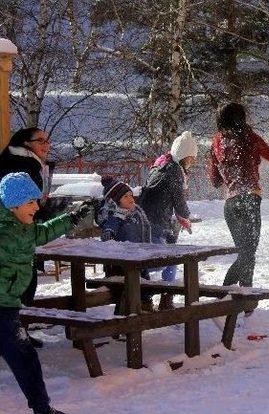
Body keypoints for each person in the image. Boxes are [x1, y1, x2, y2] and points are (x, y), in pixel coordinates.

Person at [0, 172, 91, 414]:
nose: (36, 207)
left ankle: (42, 409)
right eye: (30, 202)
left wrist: (71, 218)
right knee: (24, 357)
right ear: (13, 204)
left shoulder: (26, 228)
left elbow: (45, 232)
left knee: (25, 359)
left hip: (8, 306)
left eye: (37, 201)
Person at [209, 102, 269, 289]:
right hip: (249, 199)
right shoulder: (249, 137)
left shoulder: (216, 141)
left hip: (230, 204)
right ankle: (235, 298)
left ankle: (230, 298)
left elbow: (214, 180)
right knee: (248, 254)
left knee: (244, 254)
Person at [0, 128, 59, 348]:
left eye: (48, 140)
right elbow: (22, 205)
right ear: (26, 143)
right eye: (40, 140)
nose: (46, 144)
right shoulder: (23, 165)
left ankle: (16, 333)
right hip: (14, 234)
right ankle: (14, 335)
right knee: (21, 282)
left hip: (14, 233)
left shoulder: (17, 160)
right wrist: (48, 211)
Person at [140, 131, 197, 310]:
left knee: (158, 260)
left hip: (147, 220)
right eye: (191, 158)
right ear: (183, 156)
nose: (193, 162)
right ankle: (159, 299)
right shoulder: (174, 171)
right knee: (162, 262)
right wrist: (186, 216)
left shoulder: (160, 165)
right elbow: (178, 199)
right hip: (156, 222)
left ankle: (149, 299)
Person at [97, 176, 153, 312]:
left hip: (140, 260)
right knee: (128, 292)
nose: (131, 199)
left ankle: (143, 310)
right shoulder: (114, 218)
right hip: (121, 266)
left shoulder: (136, 213)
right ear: (115, 201)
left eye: (131, 195)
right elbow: (107, 239)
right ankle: (124, 317)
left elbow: (145, 232)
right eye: (125, 197)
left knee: (145, 288)